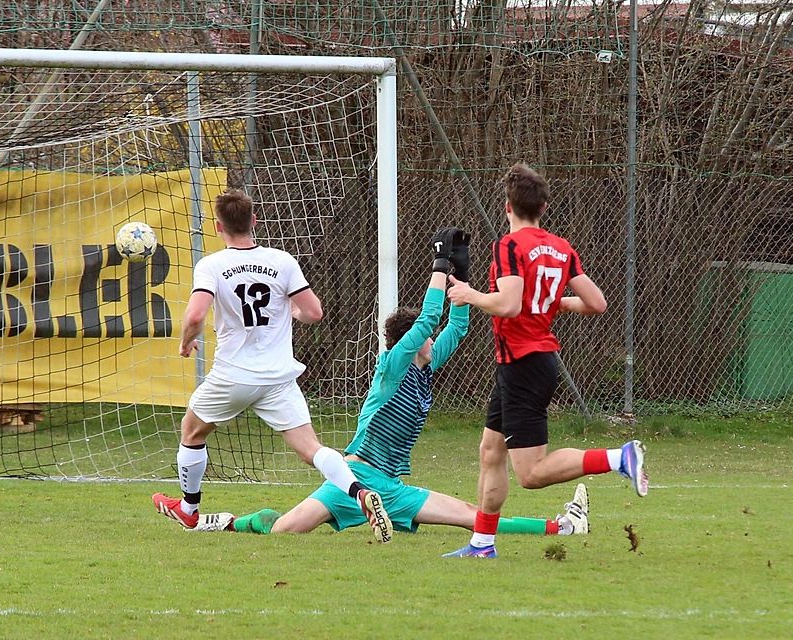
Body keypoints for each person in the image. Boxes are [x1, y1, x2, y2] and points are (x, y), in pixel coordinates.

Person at [187, 228, 590, 546]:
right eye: (426, 337)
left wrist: (461, 274)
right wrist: (438, 265)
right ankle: (232, 522)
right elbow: (431, 320)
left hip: (392, 489)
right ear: (413, 342)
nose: (435, 341)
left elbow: (457, 325)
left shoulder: (425, 368)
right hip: (354, 478)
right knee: (282, 532)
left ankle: (563, 527)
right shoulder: (393, 365)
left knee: (471, 513)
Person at [152, 189, 392, 544]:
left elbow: (196, 314)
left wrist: (186, 341)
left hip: (233, 374)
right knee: (311, 449)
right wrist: (291, 311)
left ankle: (189, 509)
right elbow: (314, 312)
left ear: (219, 227)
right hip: (278, 377)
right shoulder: (282, 261)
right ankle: (358, 492)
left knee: (192, 430)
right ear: (254, 222)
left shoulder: (212, 265)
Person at [443, 163, 648, 559]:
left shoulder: (509, 246)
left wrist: (469, 295)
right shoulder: (561, 247)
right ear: (544, 207)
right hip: (523, 363)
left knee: (531, 474)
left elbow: (508, 304)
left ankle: (617, 458)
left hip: (524, 363)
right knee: (491, 450)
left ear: (507, 206)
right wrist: (551, 303)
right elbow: (597, 303)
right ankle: (482, 544)